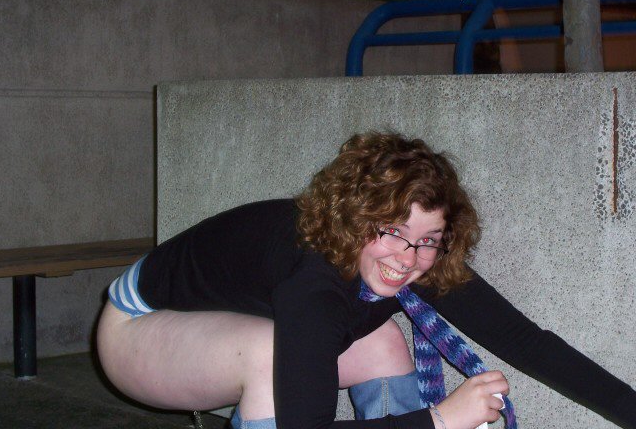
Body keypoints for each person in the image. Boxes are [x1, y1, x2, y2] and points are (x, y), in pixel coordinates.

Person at [97, 132, 636, 429]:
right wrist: (440, 421)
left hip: (216, 323)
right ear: (356, 218)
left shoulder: (415, 257)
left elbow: (524, 342)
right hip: (138, 329)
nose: (408, 257)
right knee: (269, 353)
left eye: (429, 237)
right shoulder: (313, 278)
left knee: (383, 343)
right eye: (393, 230)